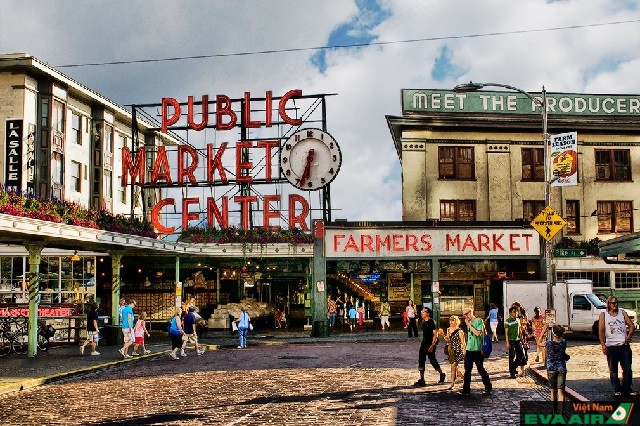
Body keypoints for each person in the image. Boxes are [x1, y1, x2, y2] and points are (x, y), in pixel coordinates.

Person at [598, 296, 637, 397]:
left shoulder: (622, 312)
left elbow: (631, 326)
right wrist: (603, 344)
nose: (615, 305)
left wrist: (629, 336)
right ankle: (617, 388)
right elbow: (601, 330)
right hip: (611, 346)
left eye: (616, 303)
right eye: (612, 303)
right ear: (608, 304)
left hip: (624, 346)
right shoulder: (604, 315)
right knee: (613, 370)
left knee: (627, 369)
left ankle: (627, 388)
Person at [459, 308, 492, 396]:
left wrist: (469, 325)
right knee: (467, 370)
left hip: (478, 349)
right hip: (469, 349)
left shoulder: (478, 321)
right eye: (463, 315)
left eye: (465, 314)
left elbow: (478, 333)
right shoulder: (467, 322)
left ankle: (488, 387)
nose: (464, 316)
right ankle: (466, 390)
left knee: (480, 369)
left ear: (470, 312)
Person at [414, 307, 446, 387]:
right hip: (424, 343)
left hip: (431, 343)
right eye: (421, 311)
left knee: (432, 360)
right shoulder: (423, 322)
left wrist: (432, 345)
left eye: (424, 312)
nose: (422, 313)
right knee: (421, 359)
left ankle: (441, 374)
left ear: (428, 313)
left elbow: (435, 335)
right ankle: (422, 379)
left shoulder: (432, 322)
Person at [542, 323, 568, 415]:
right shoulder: (564, 342)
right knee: (561, 391)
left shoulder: (549, 343)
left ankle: (554, 411)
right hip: (561, 367)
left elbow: (538, 343)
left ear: (553, 333)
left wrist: (543, 331)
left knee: (553, 391)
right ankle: (561, 412)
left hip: (551, 368)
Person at [443, 315, 465, 389]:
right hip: (451, 350)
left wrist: (465, 351)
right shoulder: (448, 329)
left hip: (458, 350)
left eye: (453, 320)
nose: (451, 321)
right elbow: (448, 340)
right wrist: (444, 337)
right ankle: (461, 376)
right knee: (454, 367)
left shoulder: (460, 331)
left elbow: (463, 343)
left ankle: (452, 383)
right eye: (450, 320)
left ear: (457, 321)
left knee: (453, 366)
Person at [505, 306, 525, 378]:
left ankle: (513, 367)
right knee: (512, 356)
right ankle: (512, 372)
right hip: (511, 340)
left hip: (517, 340)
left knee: (521, 355)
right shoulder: (508, 321)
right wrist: (507, 342)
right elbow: (506, 333)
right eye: (514, 312)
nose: (516, 313)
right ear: (510, 313)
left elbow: (520, 331)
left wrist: (522, 341)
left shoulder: (518, 320)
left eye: (516, 312)